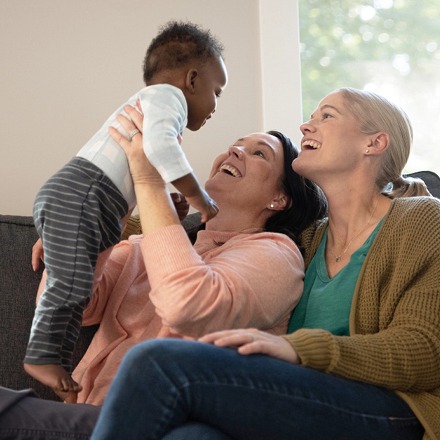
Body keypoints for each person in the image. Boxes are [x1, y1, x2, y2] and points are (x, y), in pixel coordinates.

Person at [90, 88, 440, 440]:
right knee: (192, 437)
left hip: (395, 413)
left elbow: (426, 350)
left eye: (327, 116)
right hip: (303, 403)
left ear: (374, 143)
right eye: (311, 117)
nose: (306, 126)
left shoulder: (421, 219)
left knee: (158, 363)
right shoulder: (308, 238)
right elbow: (221, 228)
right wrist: (91, 224)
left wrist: (299, 349)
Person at [23, 20, 228, 401]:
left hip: (96, 200)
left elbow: (143, 166)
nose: (217, 105)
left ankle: (57, 364)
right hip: (84, 192)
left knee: (78, 285)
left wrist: (169, 200)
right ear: (192, 79)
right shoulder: (169, 98)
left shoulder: (153, 105)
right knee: (69, 284)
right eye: (218, 91)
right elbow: (163, 152)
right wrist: (201, 199)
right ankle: (43, 355)